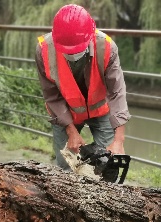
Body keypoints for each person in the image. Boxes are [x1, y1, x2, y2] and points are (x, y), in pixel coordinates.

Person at [35, 3, 130, 170]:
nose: (72, 54)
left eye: (76, 49)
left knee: (108, 165)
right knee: (65, 165)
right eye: (68, 51)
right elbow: (52, 96)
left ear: (90, 35)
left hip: (100, 110)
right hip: (64, 112)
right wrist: (70, 130)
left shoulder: (107, 47)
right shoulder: (44, 50)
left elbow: (117, 92)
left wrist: (119, 140)